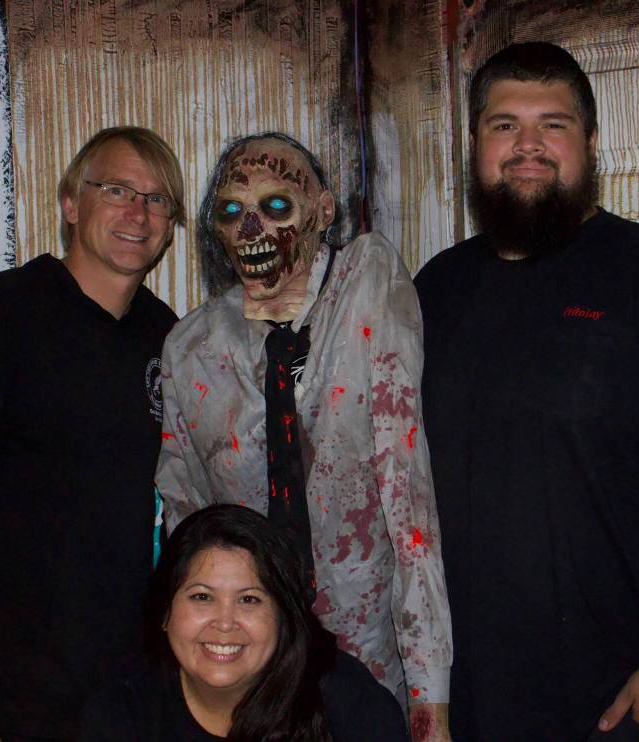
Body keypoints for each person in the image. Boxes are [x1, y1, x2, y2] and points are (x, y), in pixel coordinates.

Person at [415, 42, 639, 741]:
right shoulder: (436, 286)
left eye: (554, 124)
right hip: (469, 699)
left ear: (592, 143)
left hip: (619, 704)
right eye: (503, 125)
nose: (528, 145)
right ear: (474, 144)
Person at [155, 132, 452, 740]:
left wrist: (431, 704)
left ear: (323, 208)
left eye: (277, 206)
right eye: (231, 212)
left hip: (371, 669)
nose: (250, 228)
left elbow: (407, 498)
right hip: (248, 675)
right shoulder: (192, 350)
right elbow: (188, 532)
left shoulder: (367, 285)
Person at [0, 126, 186, 741]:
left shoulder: (170, 339)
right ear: (71, 204)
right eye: (118, 189)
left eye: (158, 199)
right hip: (10, 691)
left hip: (131, 690)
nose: (139, 212)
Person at [79, 504, 409, 741]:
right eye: (202, 597)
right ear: (164, 612)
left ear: (284, 617)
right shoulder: (123, 711)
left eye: (249, 599)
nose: (225, 623)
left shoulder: (342, 695)